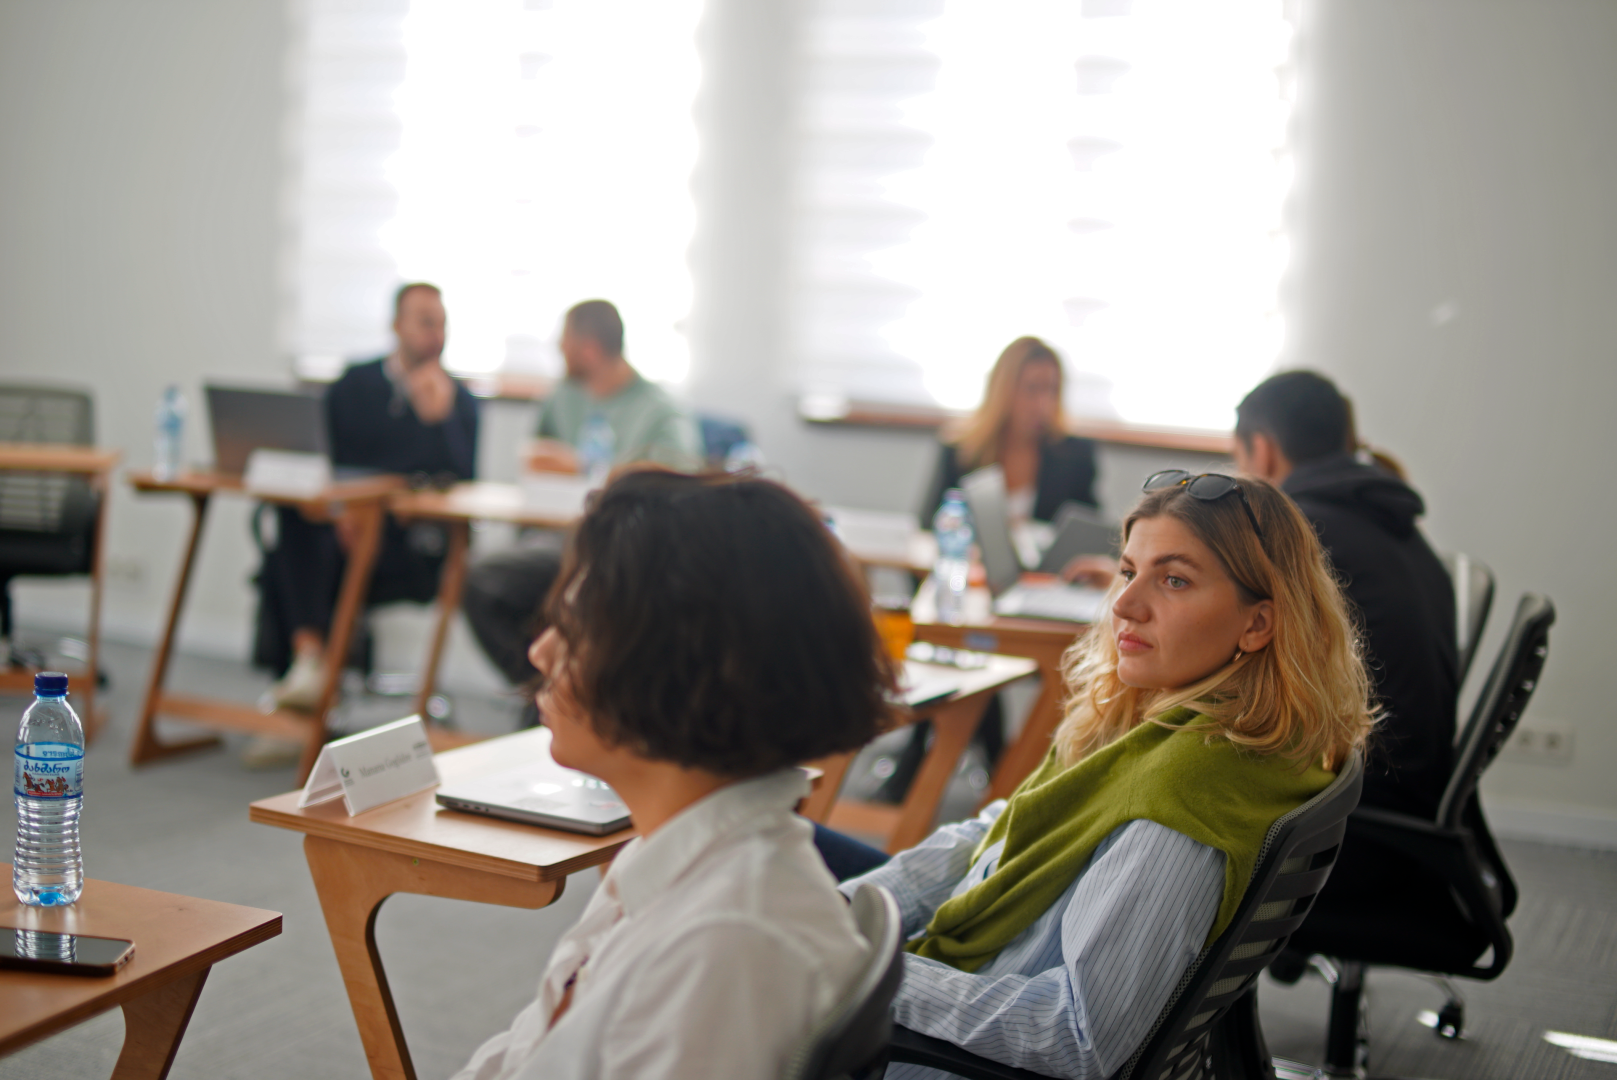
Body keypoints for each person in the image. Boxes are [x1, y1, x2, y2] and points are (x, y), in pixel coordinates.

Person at [820, 470, 1375, 1079]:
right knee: (797, 866)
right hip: (961, 961)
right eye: (1129, 571)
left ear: (1258, 623)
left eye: (1174, 580)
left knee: (774, 851)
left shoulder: (1185, 793)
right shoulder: (1180, 725)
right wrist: (849, 911)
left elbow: (1079, 1037)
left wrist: (863, 971)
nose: (1124, 605)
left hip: (942, 1050)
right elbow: (1003, 831)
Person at [450, 470, 895, 1080]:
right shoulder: (673, 855)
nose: (539, 651)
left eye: (574, 631)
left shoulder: (728, 941)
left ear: (677, 667)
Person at [1231, 370, 1457, 817]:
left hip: (1362, 796)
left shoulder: (1299, 529)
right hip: (1412, 779)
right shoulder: (1386, 517)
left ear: (1263, 450)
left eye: (1237, 458)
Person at [252, 282, 478, 723]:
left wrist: (439, 421)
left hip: (407, 543)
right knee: (294, 521)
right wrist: (341, 512)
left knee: (291, 563)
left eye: (442, 324)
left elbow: (463, 483)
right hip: (339, 527)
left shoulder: (457, 401)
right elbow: (323, 459)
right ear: (396, 326)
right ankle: (309, 669)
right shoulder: (355, 385)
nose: (435, 335)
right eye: (425, 323)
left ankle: (305, 687)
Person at [460, 300, 700, 695]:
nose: (558, 349)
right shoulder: (563, 398)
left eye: (564, 340)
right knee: (483, 582)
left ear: (588, 348)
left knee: (498, 582)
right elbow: (535, 462)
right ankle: (547, 691)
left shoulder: (660, 413)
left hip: (613, 549)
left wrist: (585, 469)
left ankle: (561, 695)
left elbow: (678, 486)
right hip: (554, 537)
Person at [919, 336, 1098, 526]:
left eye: (1052, 390)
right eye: (1032, 389)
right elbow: (931, 523)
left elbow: (1090, 530)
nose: (1043, 404)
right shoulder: (962, 450)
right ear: (1003, 390)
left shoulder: (1075, 455)